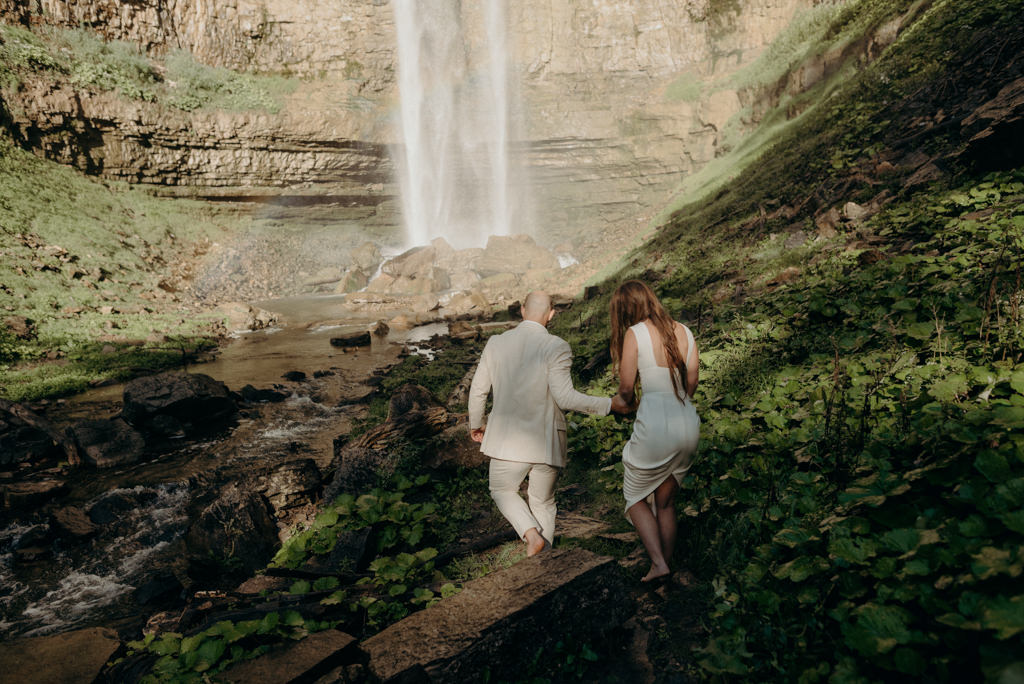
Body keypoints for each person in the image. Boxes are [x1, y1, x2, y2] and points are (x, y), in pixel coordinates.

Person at [469, 291, 626, 556]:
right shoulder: (557, 346)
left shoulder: (496, 343)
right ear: (551, 314)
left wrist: (477, 423)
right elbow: (564, 397)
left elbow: (478, 390)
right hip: (547, 438)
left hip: (507, 440)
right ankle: (544, 561)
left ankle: (531, 536)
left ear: (521, 310)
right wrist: (608, 404)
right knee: (544, 502)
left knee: (502, 489)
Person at [609, 280, 700, 582]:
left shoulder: (635, 334)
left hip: (656, 423)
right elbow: (691, 387)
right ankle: (666, 564)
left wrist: (621, 403)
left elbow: (624, 390)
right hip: (687, 422)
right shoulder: (685, 332)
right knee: (665, 502)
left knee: (634, 496)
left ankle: (659, 563)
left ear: (626, 309)